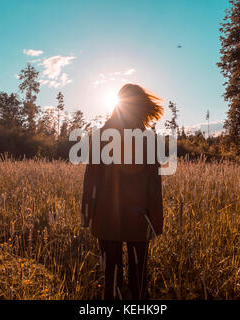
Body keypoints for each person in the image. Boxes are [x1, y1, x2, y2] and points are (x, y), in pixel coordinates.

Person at [81, 83, 164, 300]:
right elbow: (154, 185)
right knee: (139, 281)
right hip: (140, 217)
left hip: (107, 216)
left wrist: (86, 214)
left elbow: (91, 178)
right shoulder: (148, 139)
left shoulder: (101, 135)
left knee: (111, 280)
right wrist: (156, 220)